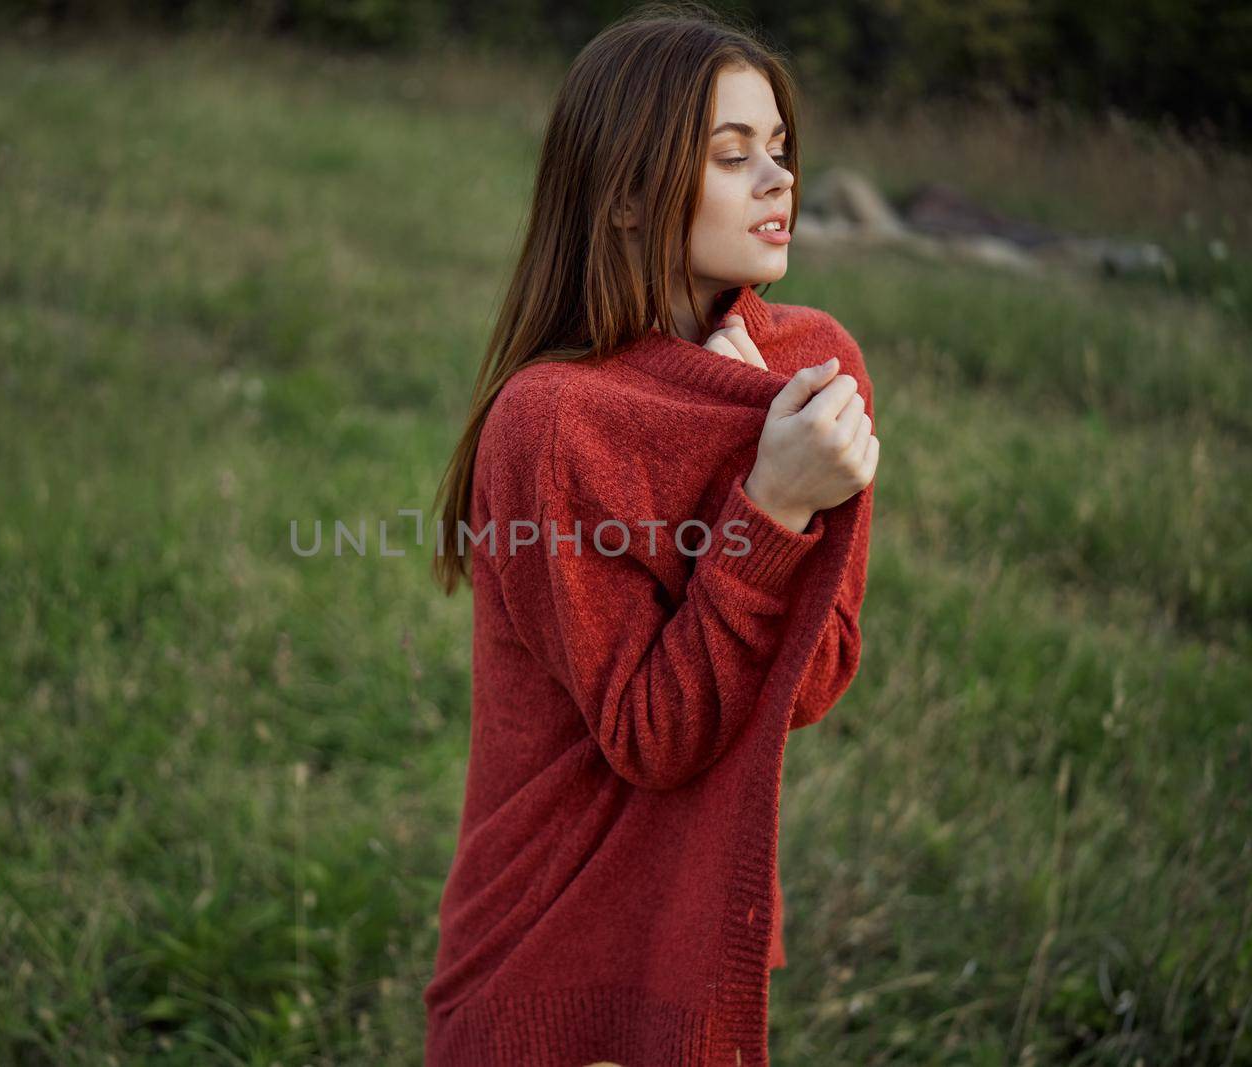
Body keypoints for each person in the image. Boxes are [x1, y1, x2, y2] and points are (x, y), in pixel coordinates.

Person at [423, 3, 878, 1063]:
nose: (778, 181)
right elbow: (652, 732)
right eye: (732, 156)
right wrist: (768, 508)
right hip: (547, 942)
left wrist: (779, 467)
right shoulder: (550, 419)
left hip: (695, 930)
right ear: (626, 197)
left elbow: (815, 678)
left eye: (779, 149)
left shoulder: (812, 367)